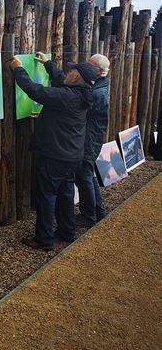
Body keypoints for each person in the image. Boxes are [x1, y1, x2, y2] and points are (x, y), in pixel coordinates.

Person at [11, 54, 95, 250]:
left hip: (55, 156)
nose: (66, 73)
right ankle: (66, 232)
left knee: (46, 197)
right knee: (65, 195)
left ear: (75, 77)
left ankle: (44, 239)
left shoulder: (67, 97)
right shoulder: (81, 93)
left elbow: (35, 91)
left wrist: (18, 69)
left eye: (70, 71)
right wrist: (48, 64)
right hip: (71, 156)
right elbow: (60, 80)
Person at [35, 53, 110, 228]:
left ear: (98, 71)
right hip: (84, 139)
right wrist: (49, 64)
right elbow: (66, 82)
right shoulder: (94, 83)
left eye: (89, 64)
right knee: (85, 176)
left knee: (84, 176)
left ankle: (89, 216)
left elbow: (73, 108)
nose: (84, 65)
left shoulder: (97, 92)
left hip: (88, 140)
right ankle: (97, 212)